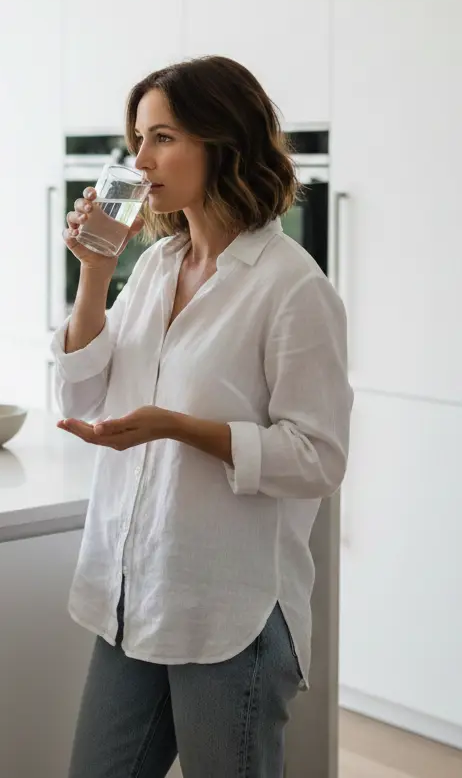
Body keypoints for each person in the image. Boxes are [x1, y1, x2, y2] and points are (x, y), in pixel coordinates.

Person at [52, 56, 353, 778]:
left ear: (223, 142)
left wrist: (179, 427)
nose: (141, 160)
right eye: (138, 139)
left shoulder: (292, 288)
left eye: (163, 137)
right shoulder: (156, 266)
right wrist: (96, 273)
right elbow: (80, 398)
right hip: (136, 596)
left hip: (232, 612)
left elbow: (319, 456)